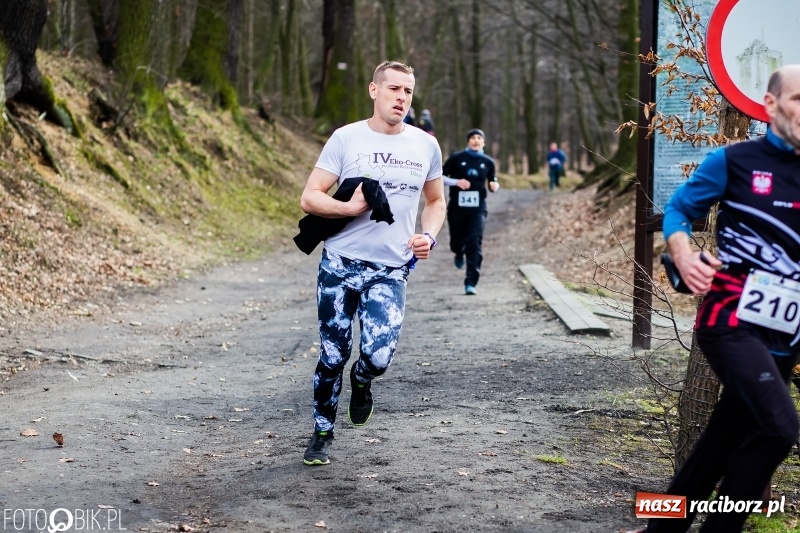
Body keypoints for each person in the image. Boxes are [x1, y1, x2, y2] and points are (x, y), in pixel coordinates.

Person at [633, 64, 800, 533]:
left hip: (786, 334)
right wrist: (683, 253)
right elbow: (681, 210)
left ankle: (659, 526)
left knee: (722, 439)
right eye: (799, 98)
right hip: (731, 319)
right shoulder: (735, 161)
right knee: (779, 429)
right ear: (770, 105)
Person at [298, 60, 446, 466]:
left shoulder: (425, 145)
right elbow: (310, 197)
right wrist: (347, 207)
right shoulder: (347, 139)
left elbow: (435, 201)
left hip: (390, 269)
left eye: (408, 92)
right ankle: (322, 432)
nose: (402, 98)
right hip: (340, 265)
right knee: (332, 354)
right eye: (394, 89)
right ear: (374, 90)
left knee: (378, 357)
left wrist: (428, 235)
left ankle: (362, 381)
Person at [442, 128, 499, 295]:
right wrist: (456, 182)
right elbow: (440, 177)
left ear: (484, 142)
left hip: (478, 209)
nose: (476, 140)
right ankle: (458, 252)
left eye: (479, 138)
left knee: (474, 242)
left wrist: (494, 186)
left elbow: (493, 180)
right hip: (457, 209)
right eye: (473, 137)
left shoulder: (488, 162)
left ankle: (470, 282)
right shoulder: (456, 158)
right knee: (457, 242)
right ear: (468, 141)